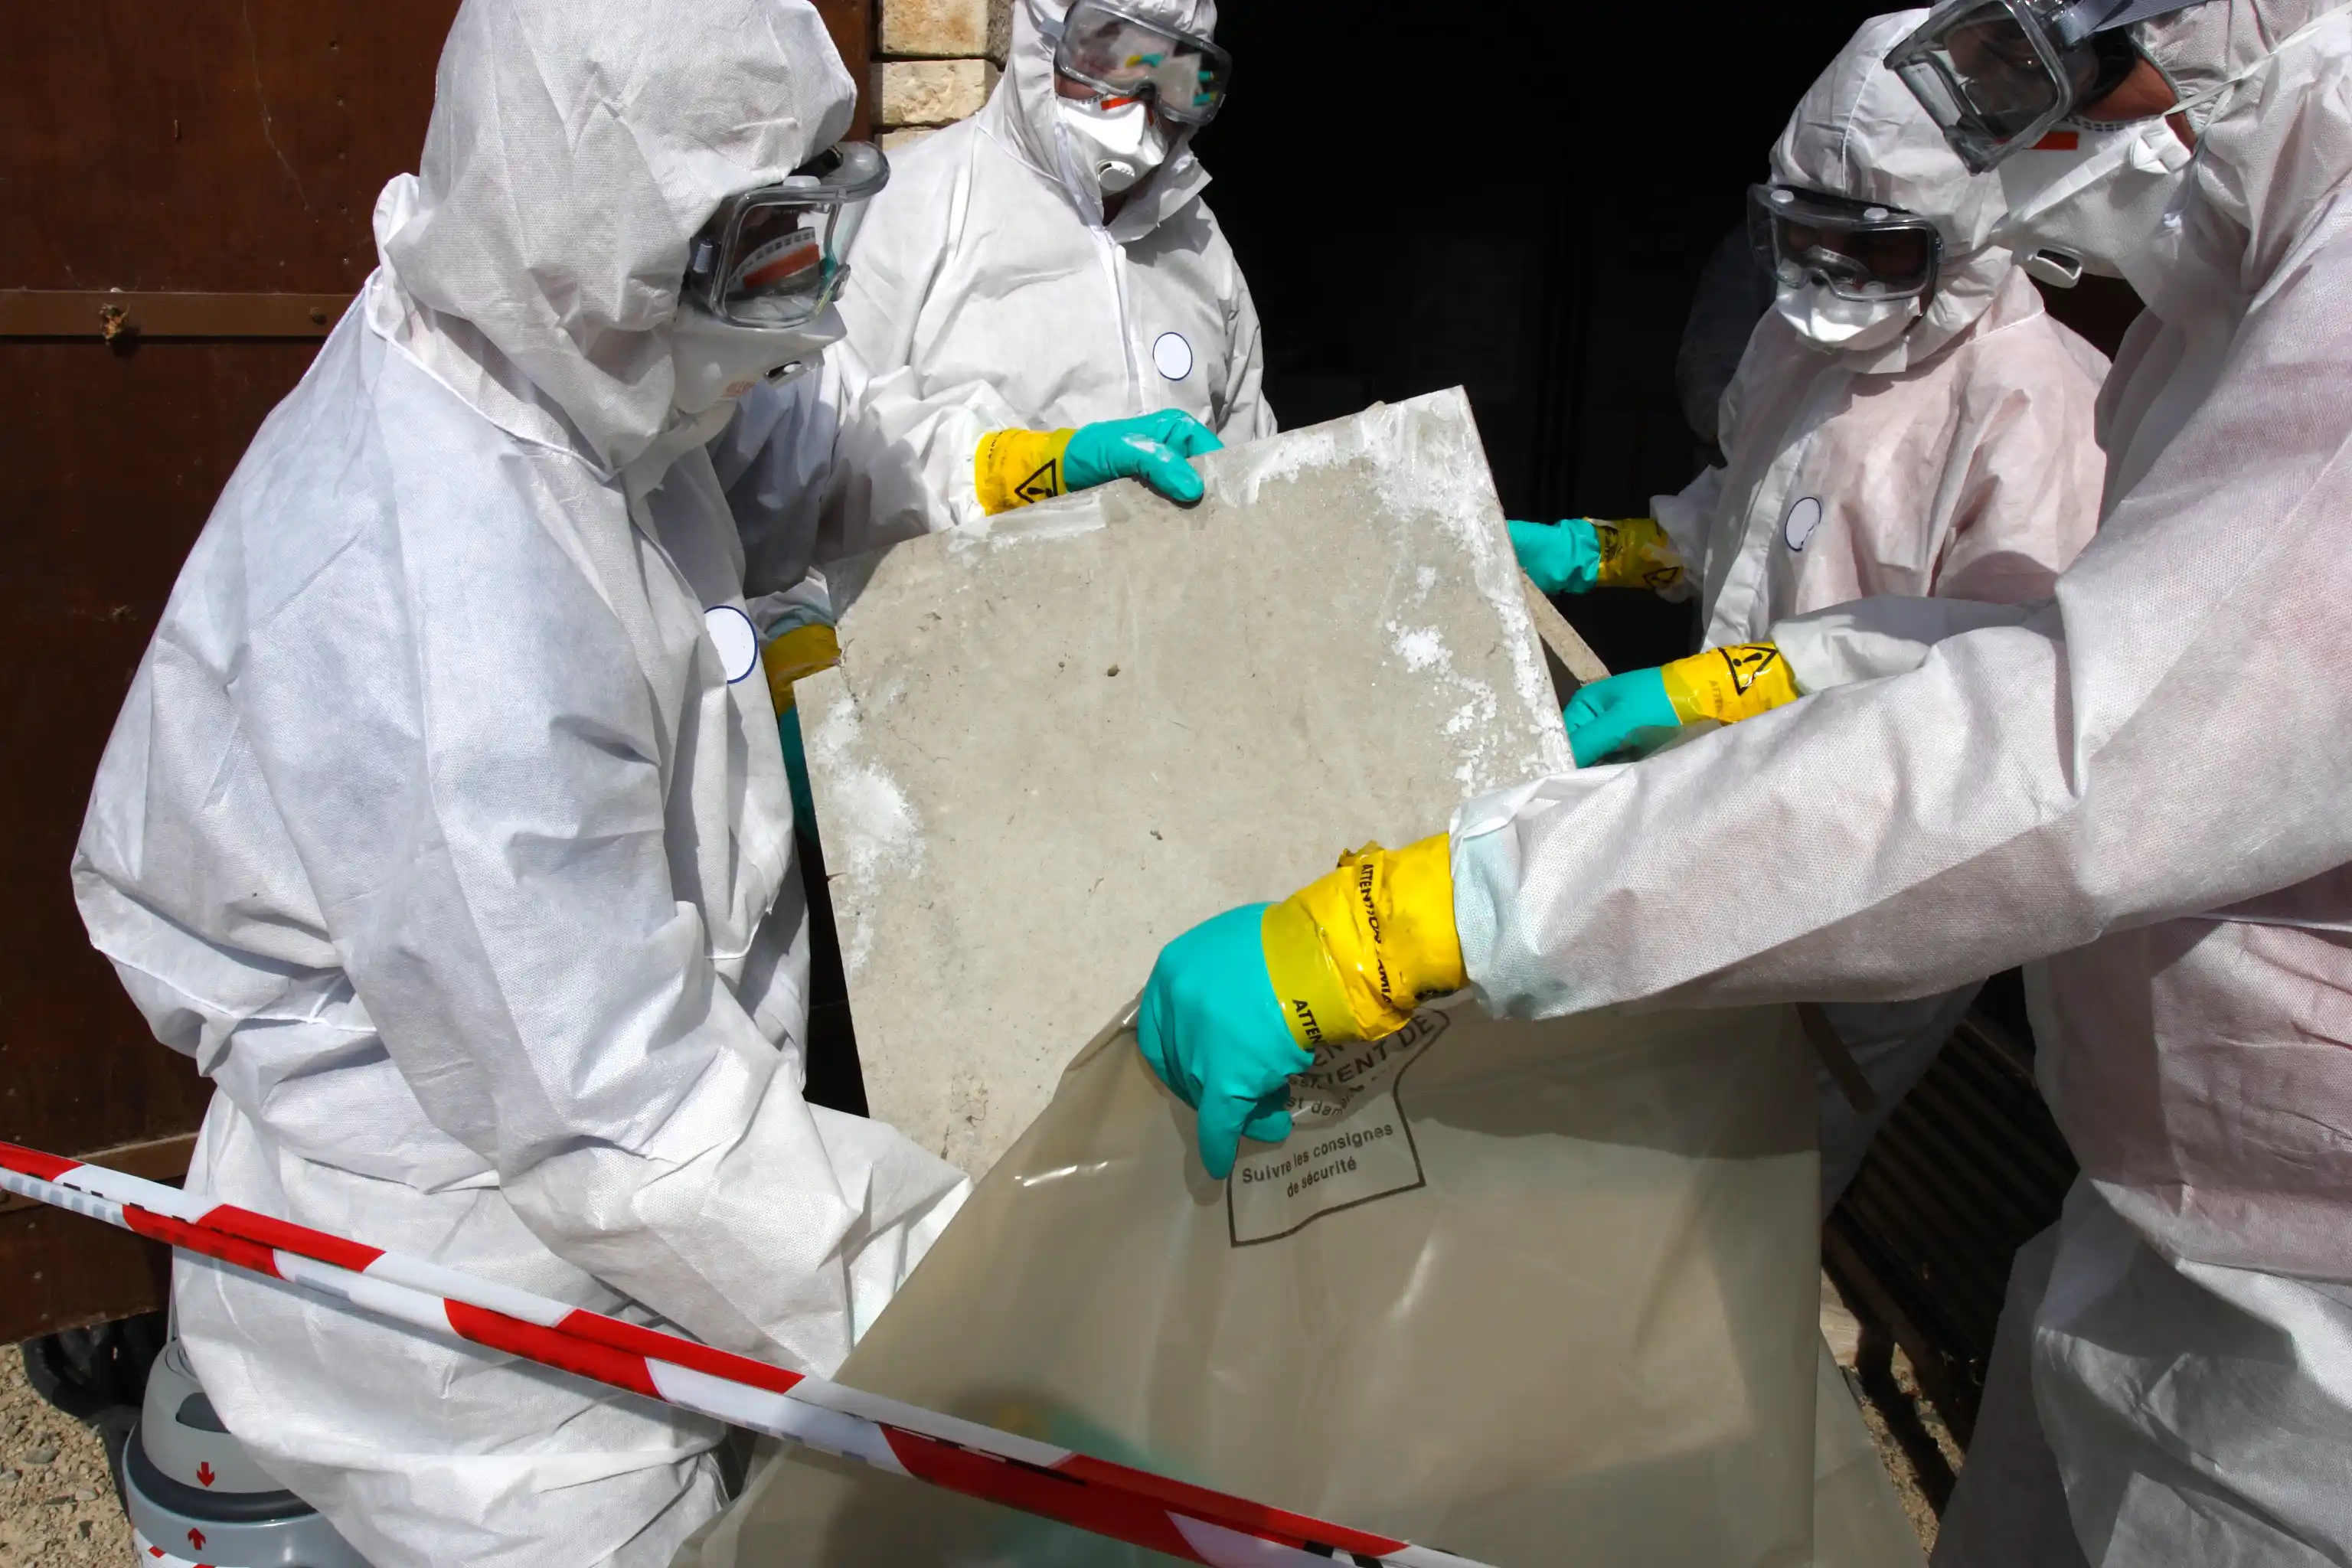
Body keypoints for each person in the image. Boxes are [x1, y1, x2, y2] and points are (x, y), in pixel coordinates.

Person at [1136, 2, 2352, 1563]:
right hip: (2154, 1211)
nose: (2033, 127)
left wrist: (1456, 907)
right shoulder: (2241, 284)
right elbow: (2044, 641)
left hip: (2306, 1328)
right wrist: (1674, 612)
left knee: (1740, 1178)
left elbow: (2072, 750)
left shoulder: (2137, 346)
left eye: (2043, 68)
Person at [69, 2, 969, 1563]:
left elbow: (767, 457)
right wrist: (1003, 1310)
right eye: (765, 248)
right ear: (604, 224)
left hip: (588, 1203)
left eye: (817, 225)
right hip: (489, 1358)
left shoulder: (560, 352)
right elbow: (637, 1127)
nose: (805, 307)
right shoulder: (443, 619)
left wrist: (992, 473)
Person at [1523, 13, 2115, 1207]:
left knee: (1751, 1186)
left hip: (1875, 864)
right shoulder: (1796, 343)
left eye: (1878, 252)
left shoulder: (2035, 406)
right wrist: (1608, 550)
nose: (1832, 277)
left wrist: (1714, 689)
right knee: (1637, 1126)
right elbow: (1747, 517)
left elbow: (1994, 690)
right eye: (1805, 237)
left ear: (1970, 231)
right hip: (1712, 801)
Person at [808, 0, 1271, 541]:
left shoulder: (1199, 243)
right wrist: (1029, 471)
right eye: (1112, 55)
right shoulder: (909, 208)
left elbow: (1251, 462)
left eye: (1178, 76)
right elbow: (820, 454)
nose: (1141, 106)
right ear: (1045, 37)